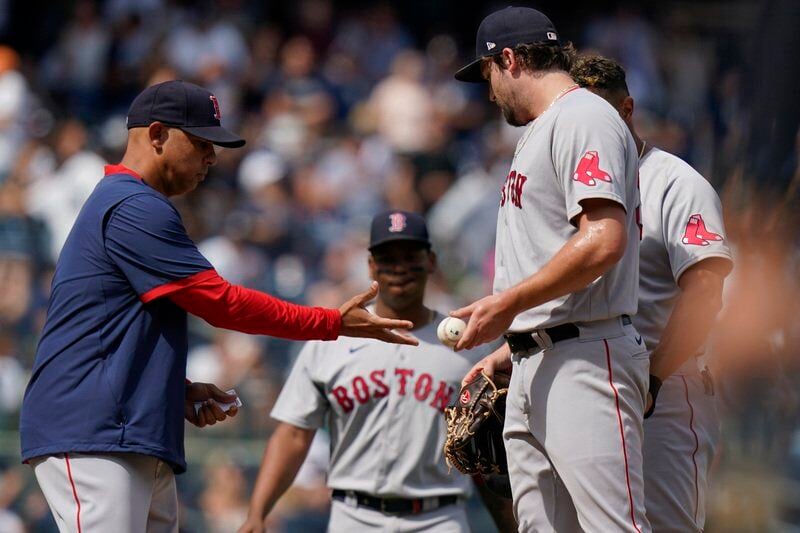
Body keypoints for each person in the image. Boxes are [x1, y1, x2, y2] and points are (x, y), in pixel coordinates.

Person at [19, 80, 417, 533]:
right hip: (93, 433)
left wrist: (168, 386)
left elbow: (106, 328)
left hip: (122, 430)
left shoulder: (128, 204)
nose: (212, 156)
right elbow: (220, 302)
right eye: (202, 142)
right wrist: (328, 321)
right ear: (156, 135)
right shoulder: (132, 205)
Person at [454, 7, 649, 532]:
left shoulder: (583, 117)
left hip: (585, 357)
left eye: (488, 74)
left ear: (510, 60)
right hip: (536, 357)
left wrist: (508, 305)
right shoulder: (542, 131)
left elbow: (604, 239)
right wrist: (511, 341)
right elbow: (549, 248)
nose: (489, 91)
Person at [238, 210, 516, 533]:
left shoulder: (468, 347)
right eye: (388, 258)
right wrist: (257, 512)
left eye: (410, 256)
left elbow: (484, 455)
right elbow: (294, 434)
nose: (399, 268)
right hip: (353, 516)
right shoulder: (333, 339)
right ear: (371, 264)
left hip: (438, 517)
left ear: (431, 261)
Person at [572, 54, 733, 532]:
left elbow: (705, 291)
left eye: (600, 114)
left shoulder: (677, 183)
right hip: (588, 378)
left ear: (626, 109)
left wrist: (655, 379)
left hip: (664, 382)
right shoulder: (565, 181)